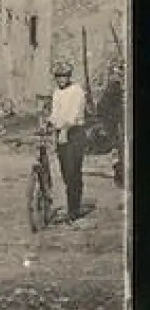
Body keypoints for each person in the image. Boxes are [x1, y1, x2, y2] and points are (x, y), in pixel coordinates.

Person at [48, 60, 88, 223]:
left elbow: (74, 113)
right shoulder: (57, 92)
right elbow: (55, 113)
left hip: (74, 133)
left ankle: (74, 210)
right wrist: (50, 123)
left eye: (64, 76)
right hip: (61, 134)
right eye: (58, 77)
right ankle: (72, 205)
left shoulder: (77, 91)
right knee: (65, 172)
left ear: (69, 76)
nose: (61, 80)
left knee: (73, 172)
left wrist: (65, 129)